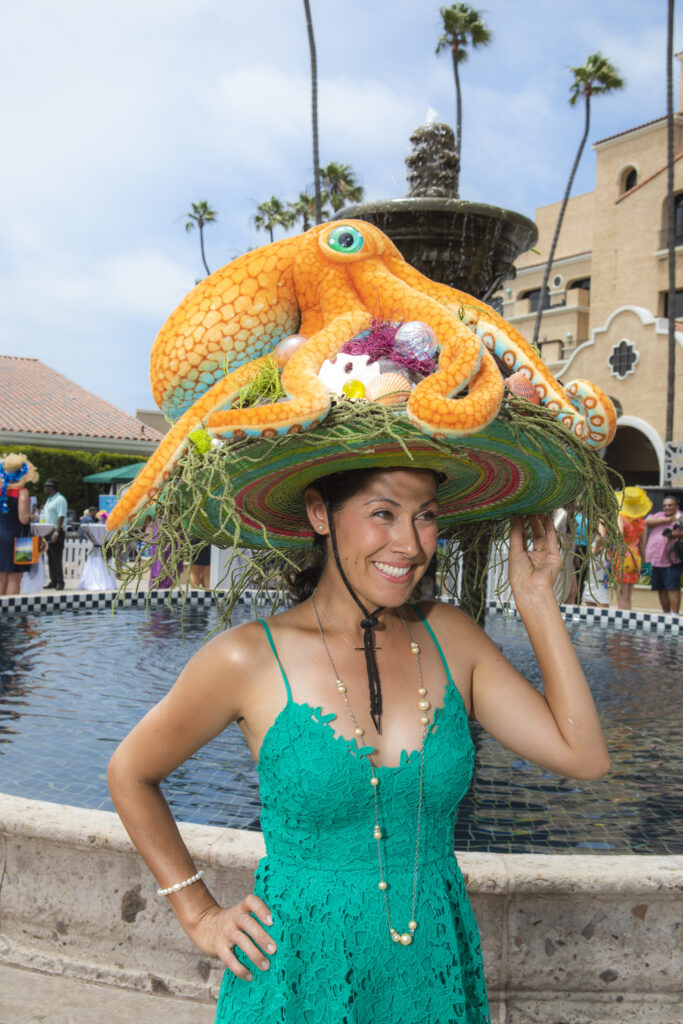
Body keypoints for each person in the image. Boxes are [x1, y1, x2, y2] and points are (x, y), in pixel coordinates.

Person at [105, 221, 619, 1023]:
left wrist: (538, 604)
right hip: (295, 983)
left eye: (423, 517)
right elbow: (129, 772)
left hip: (430, 984)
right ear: (318, 512)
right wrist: (199, 912)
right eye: (381, 512)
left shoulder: (452, 640)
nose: (409, 544)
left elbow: (582, 756)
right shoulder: (247, 659)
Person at [0, 453, 39, 596]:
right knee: (15, 577)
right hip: (19, 539)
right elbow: (23, 518)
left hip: (1, 536)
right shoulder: (21, 492)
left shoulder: (1, 491)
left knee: (1, 577)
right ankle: (10, 615)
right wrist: (33, 516)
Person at [612, 486, 652, 611]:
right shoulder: (642, 522)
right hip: (636, 558)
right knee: (628, 597)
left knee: (621, 598)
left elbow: (619, 534)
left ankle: (622, 626)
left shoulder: (620, 518)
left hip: (622, 556)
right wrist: (645, 564)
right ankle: (628, 625)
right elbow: (642, 545)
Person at [645, 494, 683, 613]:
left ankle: (675, 615)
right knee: (660, 588)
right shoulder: (658, 516)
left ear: (677, 506)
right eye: (665, 505)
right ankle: (666, 615)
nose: (667, 507)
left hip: (672, 559)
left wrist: (675, 535)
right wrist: (666, 520)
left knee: (673, 588)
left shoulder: (681, 517)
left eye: (670, 505)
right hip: (655, 561)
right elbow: (646, 522)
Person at [42, 477, 68, 590]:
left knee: (56, 557)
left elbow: (61, 516)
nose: (44, 488)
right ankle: (53, 580)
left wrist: (56, 532)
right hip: (48, 530)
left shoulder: (60, 499)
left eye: (46, 487)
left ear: (51, 488)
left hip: (56, 530)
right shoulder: (49, 499)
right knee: (50, 557)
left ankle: (60, 581)